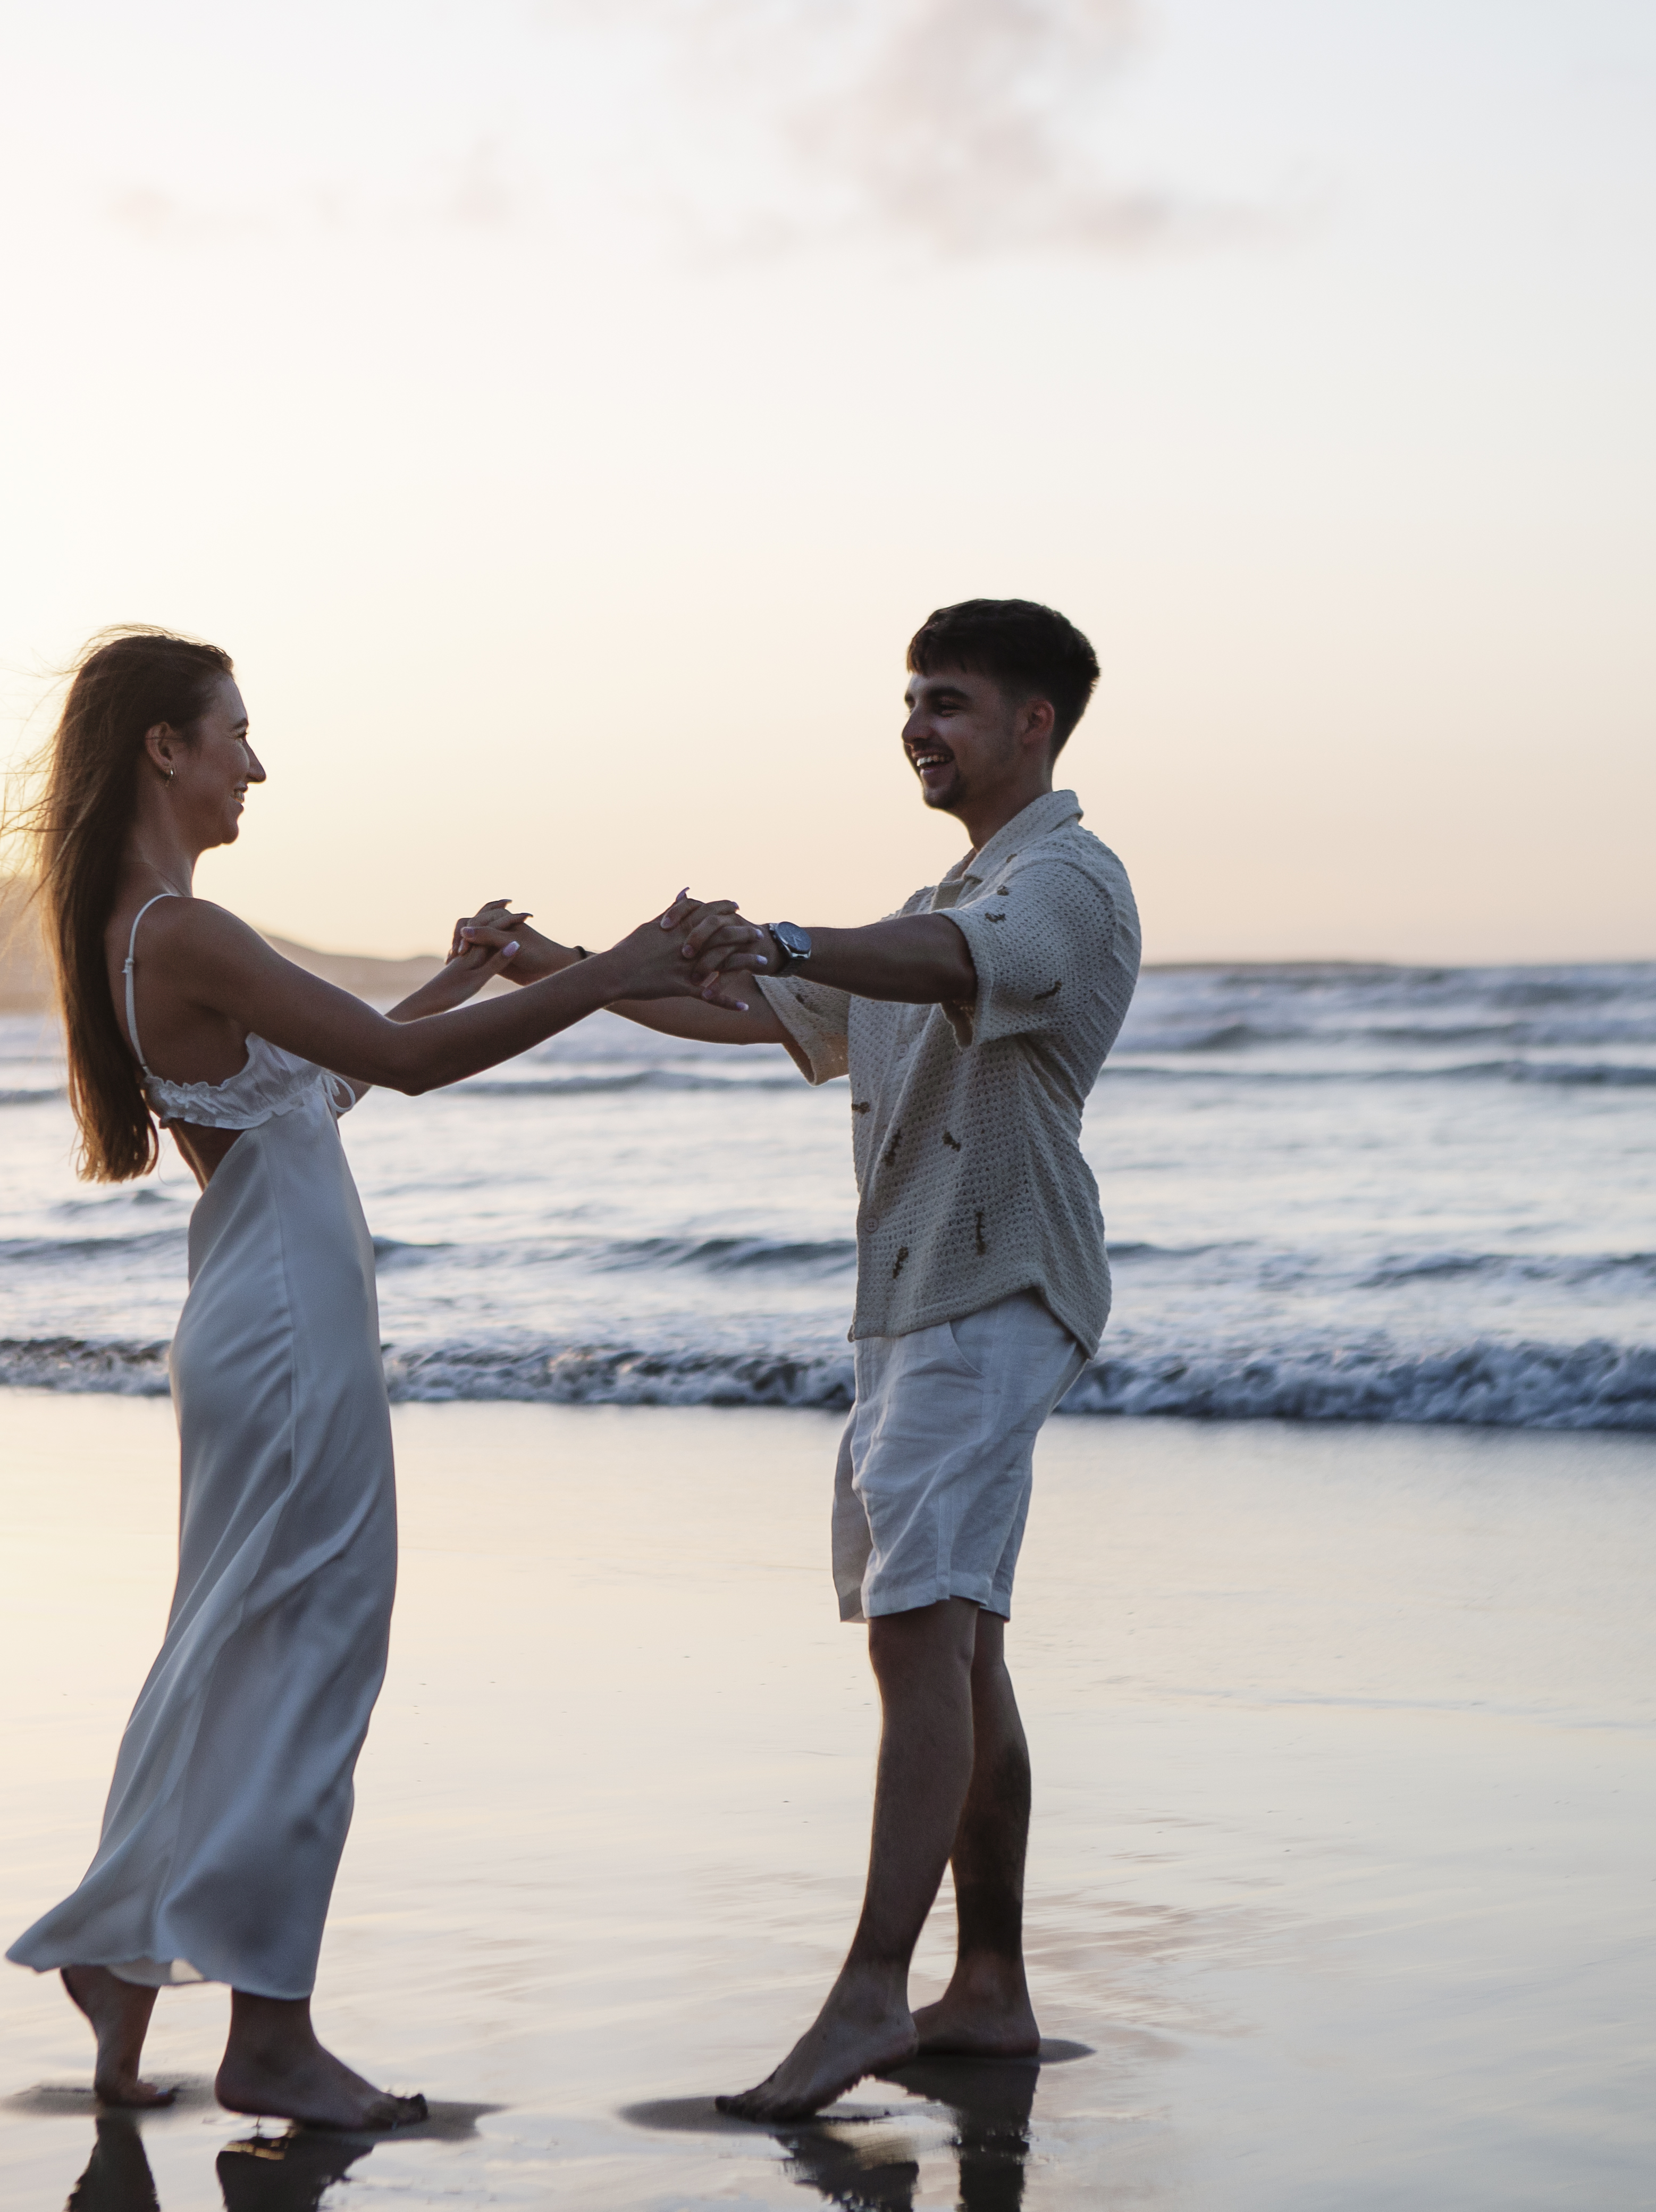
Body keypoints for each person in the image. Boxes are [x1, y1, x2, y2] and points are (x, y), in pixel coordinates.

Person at [2, 625, 716, 2129]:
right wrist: (612, 974)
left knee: (239, 1638)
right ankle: (269, 2035)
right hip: (281, 1315)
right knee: (314, 1644)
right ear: (165, 751)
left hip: (262, 1304)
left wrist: (464, 969)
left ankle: (127, 1959)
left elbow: (327, 1078)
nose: (256, 763)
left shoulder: (156, 929)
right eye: (238, 733)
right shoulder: (182, 931)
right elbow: (401, 1077)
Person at [466, 598, 1139, 2122]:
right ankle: (991, 1993)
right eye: (910, 699)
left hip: (997, 1291)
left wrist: (782, 930)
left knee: (919, 1635)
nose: (919, 725)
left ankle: (864, 2000)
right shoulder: (939, 895)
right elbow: (753, 1008)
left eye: (949, 702)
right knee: (957, 1640)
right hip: (917, 1309)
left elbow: (958, 961)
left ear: (1034, 723)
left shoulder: (1068, 880)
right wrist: (557, 967)